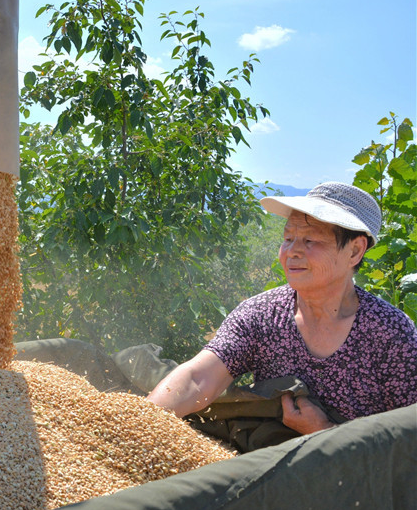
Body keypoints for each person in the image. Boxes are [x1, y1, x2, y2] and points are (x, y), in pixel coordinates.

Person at [148, 182, 417, 435]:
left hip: (360, 478)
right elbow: (198, 379)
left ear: (355, 251)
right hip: (270, 469)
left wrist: (324, 432)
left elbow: (407, 438)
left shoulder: (390, 332)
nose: (292, 252)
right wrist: (142, 421)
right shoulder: (262, 314)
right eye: (288, 238)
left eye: (310, 241)